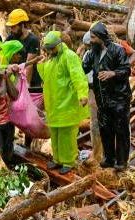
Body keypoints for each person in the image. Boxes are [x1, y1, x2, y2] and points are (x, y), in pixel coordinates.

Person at [37, 31, 89, 175]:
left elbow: (78, 76)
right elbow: (47, 79)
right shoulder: (52, 59)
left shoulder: (69, 56)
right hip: (54, 105)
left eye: (52, 49)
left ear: (59, 45)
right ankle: (58, 159)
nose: (50, 52)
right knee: (55, 134)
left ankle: (69, 161)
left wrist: (82, 94)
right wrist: (41, 66)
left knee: (67, 135)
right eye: (48, 50)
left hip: (67, 104)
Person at [82, 22, 131, 171]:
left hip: (119, 99)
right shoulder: (92, 53)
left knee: (121, 131)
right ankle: (109, 158)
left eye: (93, 37)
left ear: (102, 37)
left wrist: (113, 73)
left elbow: (126, 70)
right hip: (102, 99)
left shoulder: (117, 50)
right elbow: (82, 69)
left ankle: (121, 162)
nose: (91, 40)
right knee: (105, 130)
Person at [6, 8, 41, 148]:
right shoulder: (10, 39)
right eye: (11, 27)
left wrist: (25, 87)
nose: (12, 29)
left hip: (31, 82)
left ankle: (27, 145)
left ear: (22, 25)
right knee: (11, 111)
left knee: (29, 114)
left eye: (14, 26)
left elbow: (29, 66)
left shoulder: (32, 40)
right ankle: (10, 140)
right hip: (14, 80)